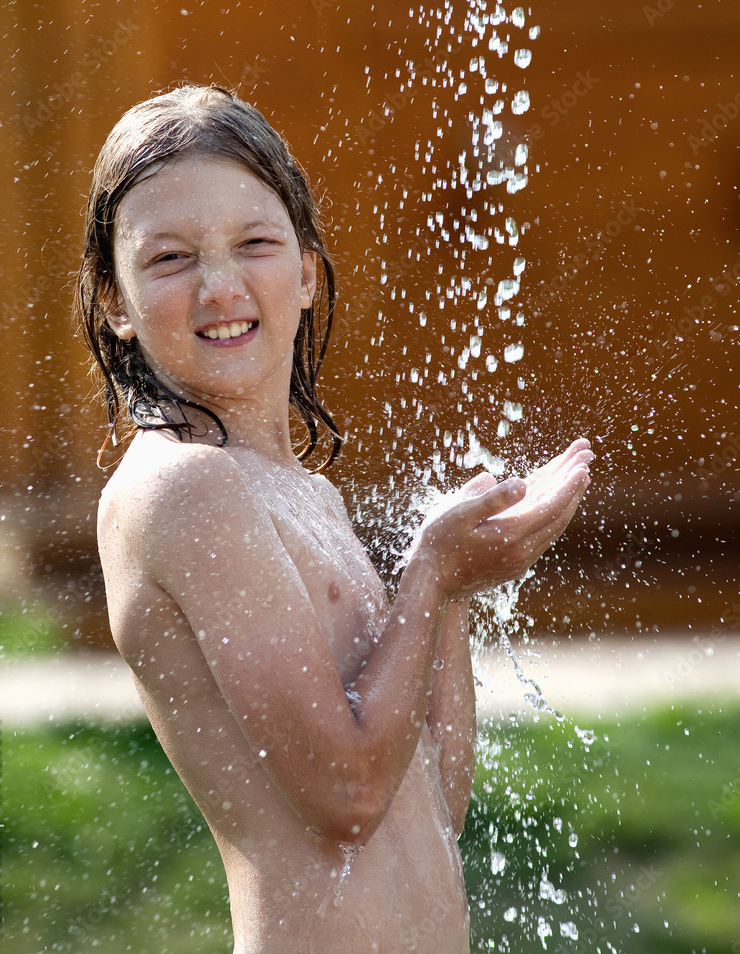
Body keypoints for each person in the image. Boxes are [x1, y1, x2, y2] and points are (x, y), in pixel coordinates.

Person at [75, 83, 593, 954]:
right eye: (169, 259)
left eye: (255, 244)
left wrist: (453, 588)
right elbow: (346, 799)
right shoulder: (185, 489)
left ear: (307, 271)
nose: (219, 286)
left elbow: (432, 797)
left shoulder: (302, 493)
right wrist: (428, 573)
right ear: (114, 302)